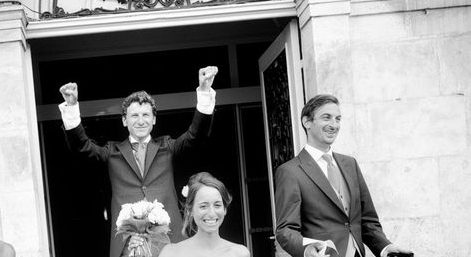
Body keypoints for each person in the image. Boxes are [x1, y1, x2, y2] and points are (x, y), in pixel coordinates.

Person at [58, 66, 218, 257]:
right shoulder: (112, 151)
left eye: (145, 115)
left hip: (170, 241)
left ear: (154, 120)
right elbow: (81, 147)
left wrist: (205, 92)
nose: (140, 121)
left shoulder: (167, 147)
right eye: (134, 115)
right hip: (128, 245)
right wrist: (71, 108)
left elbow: (196, 135)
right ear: (125, 121)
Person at [275, 94, 413, 257]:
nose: (334, 125)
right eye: (326, 118)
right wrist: (306, 249)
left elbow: (367, 221)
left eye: (338, 119)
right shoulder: (290, 171)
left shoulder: (350, 164)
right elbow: (286, 230)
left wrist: (385, 247)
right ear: (307, 122)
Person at [158, 171, 250, 257]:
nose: (211, 213)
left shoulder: (240, 253)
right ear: (190, 210)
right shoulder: (171, 253)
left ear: (224, 209)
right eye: (203, 206)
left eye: (217, 205)